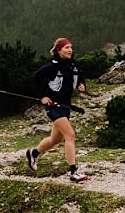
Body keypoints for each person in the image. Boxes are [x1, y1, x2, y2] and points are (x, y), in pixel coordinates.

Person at [26, 37, 88, 182]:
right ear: (59, 50)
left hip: (66, 106)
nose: (70, 50)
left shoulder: (73, 64)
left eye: (71, 47)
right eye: (66, 48)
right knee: (70, 135)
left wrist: (81, 85)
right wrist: (42, 96)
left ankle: (33, 153)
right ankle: (73, 172)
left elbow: (80, 76)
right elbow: (34, 78)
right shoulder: (52, 66)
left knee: (55, 140)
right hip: (52, 106)